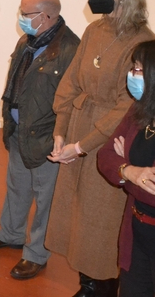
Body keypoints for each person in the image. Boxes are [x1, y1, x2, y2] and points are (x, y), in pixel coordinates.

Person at [46, 0, 154, 296]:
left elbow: (126, 104)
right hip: (78, 127)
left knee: (100, 223)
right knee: (76, 213)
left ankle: (103, 286)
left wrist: (82, 146)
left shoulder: (143, 40)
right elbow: (71, 82)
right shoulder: (95, 30)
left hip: (109, 138)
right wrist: (61, 131)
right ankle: (87, 283)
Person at [0, 0, 79, 279]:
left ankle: (36, 254)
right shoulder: (28, 40)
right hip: (19, 132)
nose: (21, 19)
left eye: (26, 13)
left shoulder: (70, 49)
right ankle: (10, 234)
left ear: (46, 17)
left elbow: (71, 101)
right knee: (17, 187)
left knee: (45, 198)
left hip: (47, 137)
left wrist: (61, 138)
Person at [98, 40, 155, 297]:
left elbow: (151, 190)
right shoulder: (139, 109)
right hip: (137, 230)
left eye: (139, 69)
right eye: (133, 68)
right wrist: (130, 170)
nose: (132, 75)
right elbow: (104, 156)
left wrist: (123, 166)